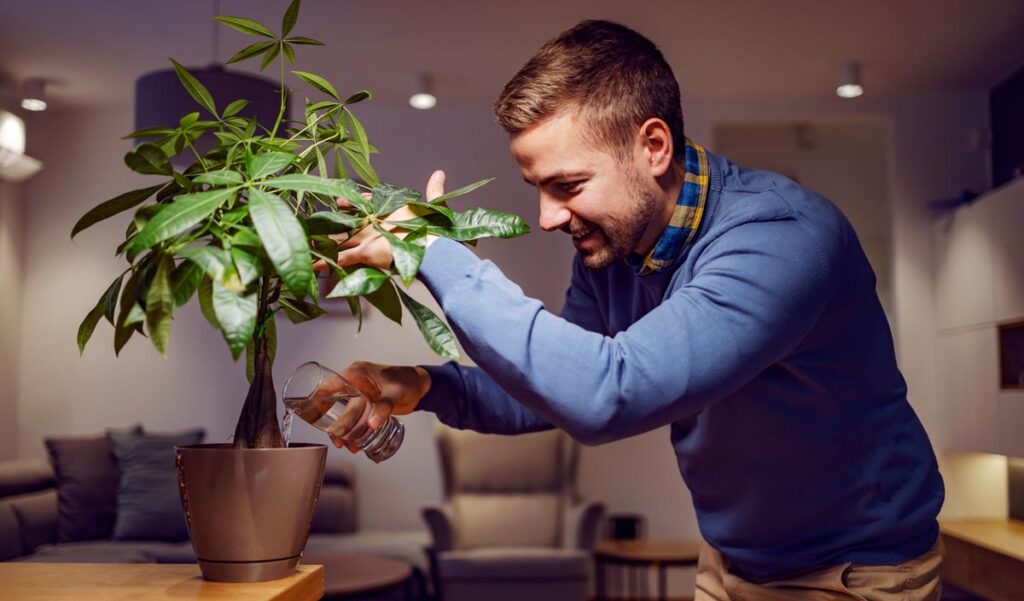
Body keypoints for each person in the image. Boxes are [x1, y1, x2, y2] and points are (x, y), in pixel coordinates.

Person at [316, 20, 945, 601]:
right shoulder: (612, 247)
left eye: (568, 186)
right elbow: (553, 387)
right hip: (731, 560)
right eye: (537, 189)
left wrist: (434, 252)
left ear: (652, 146)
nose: (547, 217)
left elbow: (604, 394)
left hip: (857, 571)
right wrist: (422, 385)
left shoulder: (780, 238)